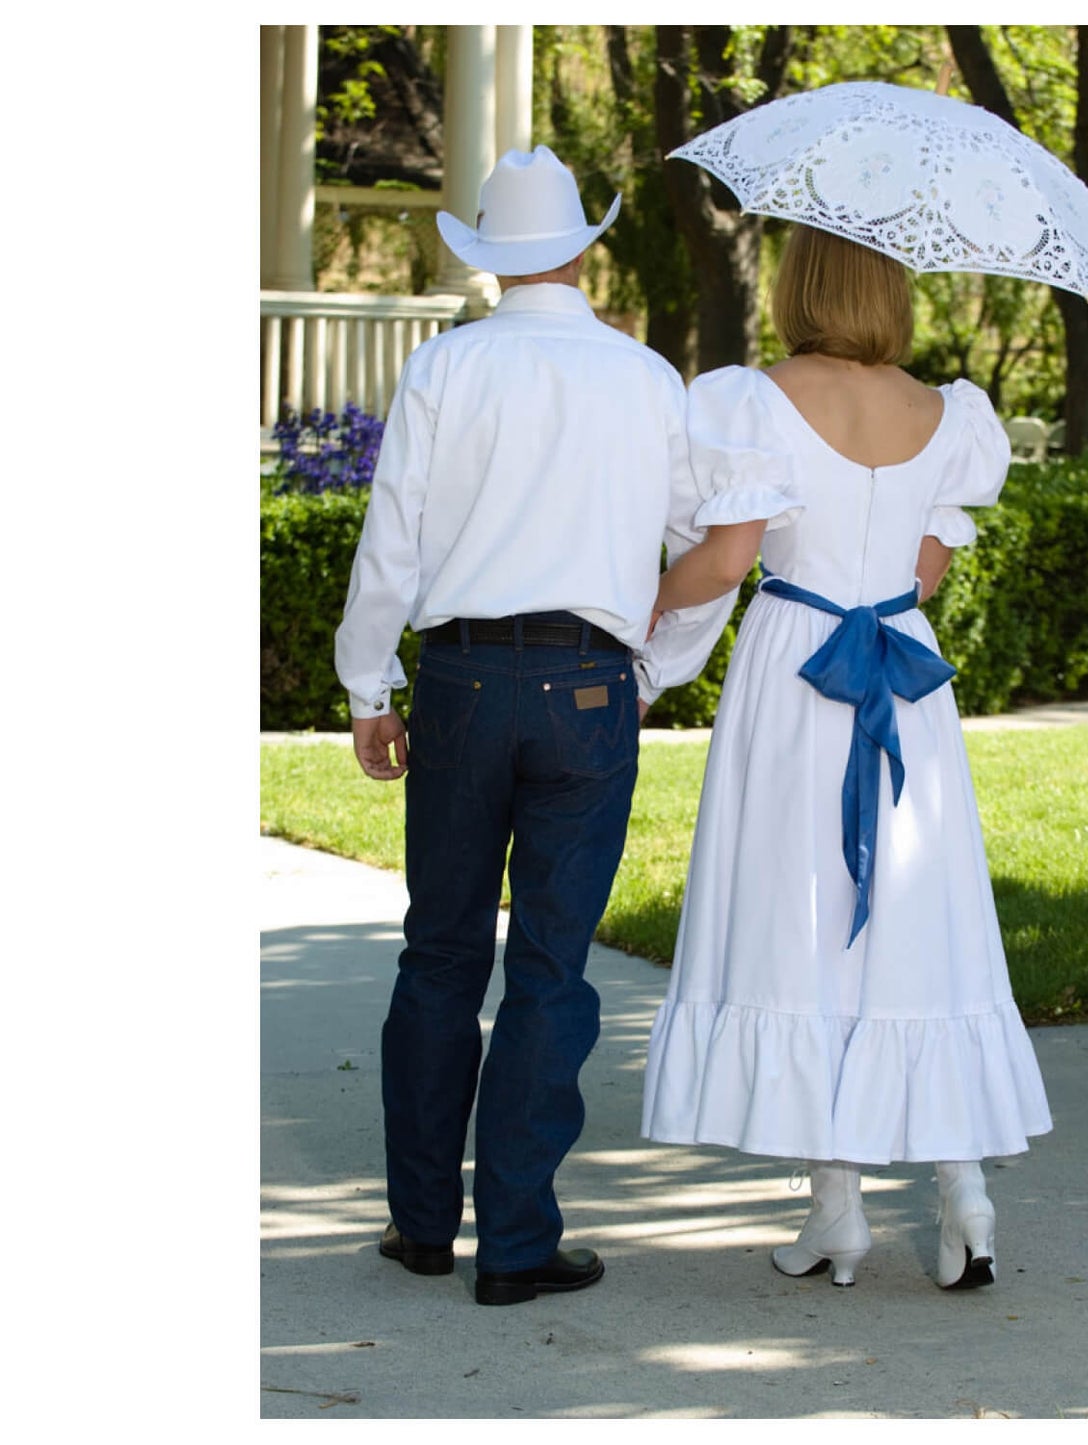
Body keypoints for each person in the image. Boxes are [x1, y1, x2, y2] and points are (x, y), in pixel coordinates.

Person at [335, 146, 728, 1307]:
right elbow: (701, 552)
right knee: (550, 966)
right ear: (582, 245)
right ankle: (515, 1241)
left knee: (440, 952)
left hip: (457, 684)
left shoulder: (446, 368)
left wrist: (369, 687)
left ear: (489, 256)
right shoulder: (647, 377)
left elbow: (391, 540)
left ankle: (419, 1224)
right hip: (590, 683)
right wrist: (649, 672)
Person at [639, 224, 1054, 1289]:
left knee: (800, 918)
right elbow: (922, 574)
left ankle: (839, 1206)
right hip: (898, 672)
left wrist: (637, 618)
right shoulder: (945, 413)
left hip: (796, 668)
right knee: (917, 925)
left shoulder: (745, 397)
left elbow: (726, 556)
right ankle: (963, 1193)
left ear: (797, 285)